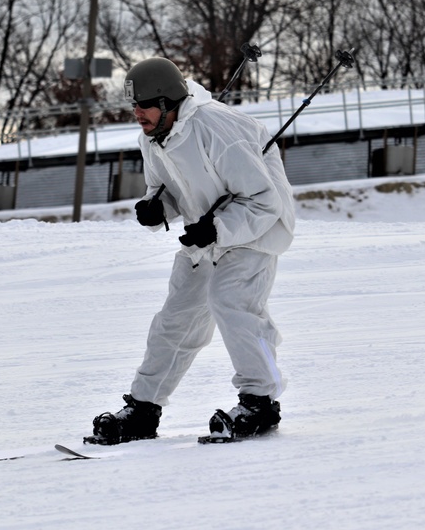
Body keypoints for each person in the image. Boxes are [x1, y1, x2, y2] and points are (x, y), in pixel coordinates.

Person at [87, 57, 296, 445]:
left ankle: (260, 403)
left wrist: (216, 227)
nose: (137, 114)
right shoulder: (152, 138)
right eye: (133, 106)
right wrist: (155, 208)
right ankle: (143, 409)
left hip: (254, 233)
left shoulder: (220, 131)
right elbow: (167, 189)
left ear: (167, 102)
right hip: (203, 236)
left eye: (144, 106)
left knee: (231, 303)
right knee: (175, 319)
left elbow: (265, 202)